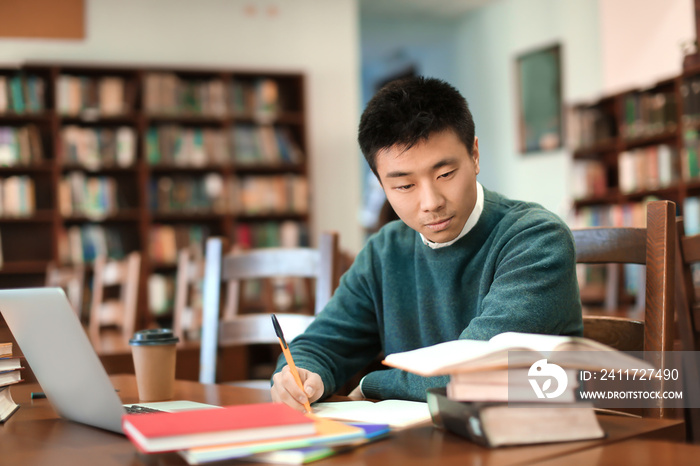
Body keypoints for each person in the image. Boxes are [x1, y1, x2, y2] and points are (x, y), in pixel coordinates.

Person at [271, 76, 582, 411]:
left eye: (445, 174)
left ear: (474, 155)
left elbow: (476, 370)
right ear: (382, 186)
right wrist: (298, 374)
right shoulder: (385, 251)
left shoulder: (536, 239)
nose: (430, 202)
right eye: (404, 186)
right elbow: (322, 344)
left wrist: (370, 386)